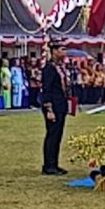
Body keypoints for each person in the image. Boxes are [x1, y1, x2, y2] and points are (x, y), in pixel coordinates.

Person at [41, 40, 70, 176]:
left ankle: (54, 163)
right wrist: (49, 109)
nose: (64, 52)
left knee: (58, 135)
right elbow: (46, 90)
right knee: (52, 135)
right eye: (62, 49)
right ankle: (48, 165)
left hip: (61, 104)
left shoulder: (60, 67)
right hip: (53, 105)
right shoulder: (49, 68)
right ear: (54, 51)